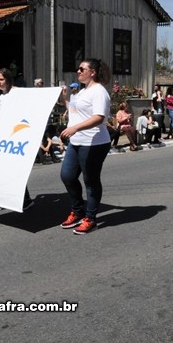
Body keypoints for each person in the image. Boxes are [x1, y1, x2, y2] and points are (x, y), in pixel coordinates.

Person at [59, 58, 112, 235]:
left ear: (93, 72)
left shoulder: (99, 92)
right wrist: (64, 99)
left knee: (91, 181)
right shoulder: (82, 91)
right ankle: (78, 211)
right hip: (76, 141)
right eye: (78, 68)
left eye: (82, 69)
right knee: (67, 176)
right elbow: (76, 111)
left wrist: (74, 128)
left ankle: (90, 218)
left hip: (94, 143)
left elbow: (99, 117)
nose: (78, 71)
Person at [0, 68, 35, 214]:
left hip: (8, 140)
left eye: (2, 79)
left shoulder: (15, 96)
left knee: (11, 171)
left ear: (9, 80)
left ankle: (25, 200)